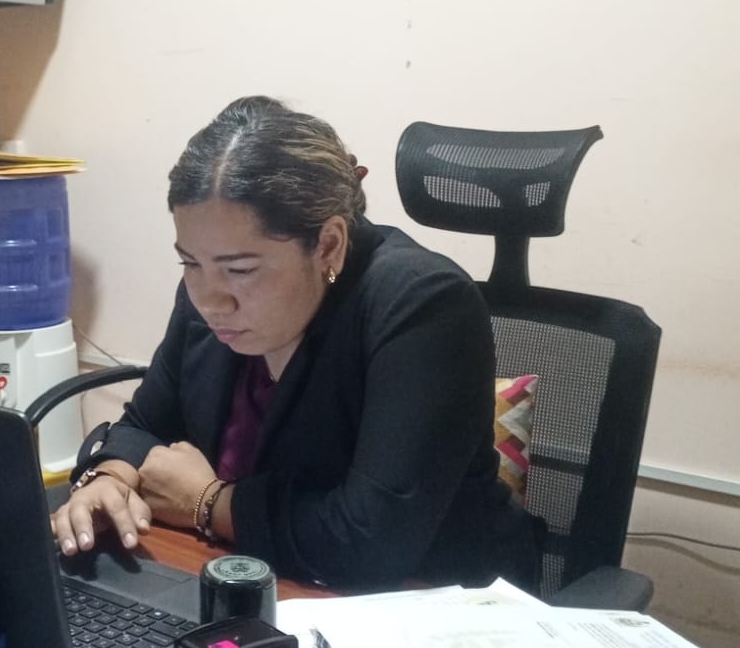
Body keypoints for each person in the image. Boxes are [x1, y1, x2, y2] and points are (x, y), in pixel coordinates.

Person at [50, 95, 541, 591]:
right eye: (190, 263)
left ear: (328, 245)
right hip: (261, 577)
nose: (211, 300)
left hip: (426, 604)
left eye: (241, 269)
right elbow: (145, 425)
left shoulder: (423, 305)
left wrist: (208, 502)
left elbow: (372, 540)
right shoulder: (211, 291)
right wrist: (110, 480)